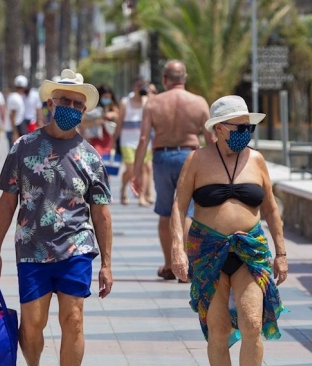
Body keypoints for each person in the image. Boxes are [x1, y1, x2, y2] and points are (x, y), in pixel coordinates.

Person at [0, 68, 113, 366]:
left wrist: (106, 263)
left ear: (84, 110)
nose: (71, 107)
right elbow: (7, 203)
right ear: (50, 103)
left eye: (77, 103)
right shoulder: (24, 147)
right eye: (64, 101)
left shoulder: (90, 157)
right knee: (32, 325)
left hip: (76, 248)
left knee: (73, 320)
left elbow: (101, 214)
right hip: (32, 250)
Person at [171, 95, 288, 366]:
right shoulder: (196, 160)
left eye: (248, 127)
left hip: (249, 249)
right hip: (208, 251)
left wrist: (281, 253)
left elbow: (271, 209)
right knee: (218, 330)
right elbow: (179, 206)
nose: (245, 132)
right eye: (239, 127)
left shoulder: (258, 160)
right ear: (219, 129)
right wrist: (177, 250)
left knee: (252, 323)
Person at [131, 60, 213, 281]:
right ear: (184, 78)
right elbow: (211, 139)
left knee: (166, 210)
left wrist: (137, 172)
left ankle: (170, 264)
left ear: (165, 79)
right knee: (187, 211)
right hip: (190, 156)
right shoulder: (199, 102)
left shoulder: (153, 104)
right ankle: (186, 265)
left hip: (162, 157)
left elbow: (142, 138)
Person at [117, 78, 154, 206]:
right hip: (127, 141)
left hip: (144, 141)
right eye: (139, 85)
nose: (141, 88)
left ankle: (141, 196)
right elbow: (120, 122)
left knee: (144, 168)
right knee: (131, 170)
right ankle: (123, 189)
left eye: (144, 86)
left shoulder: (148, 102)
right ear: (134, 86)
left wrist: (149, 97)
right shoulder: (125, 102)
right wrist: (113, 140)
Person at [80, 85, 119, 159]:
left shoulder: (113, 107)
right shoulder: (93, 109)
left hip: (110, 141)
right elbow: (82, 122)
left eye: (109, 97)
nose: (107, 99)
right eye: (105, 97)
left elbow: (120, 119)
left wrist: (114, 115)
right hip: (96, 140)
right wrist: (96, 121)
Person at [6, 76, 27, 145]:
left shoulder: (15, 97)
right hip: (15, 129)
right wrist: (15, 133)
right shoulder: (15, 98)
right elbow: (12, 116)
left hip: (16, 128)